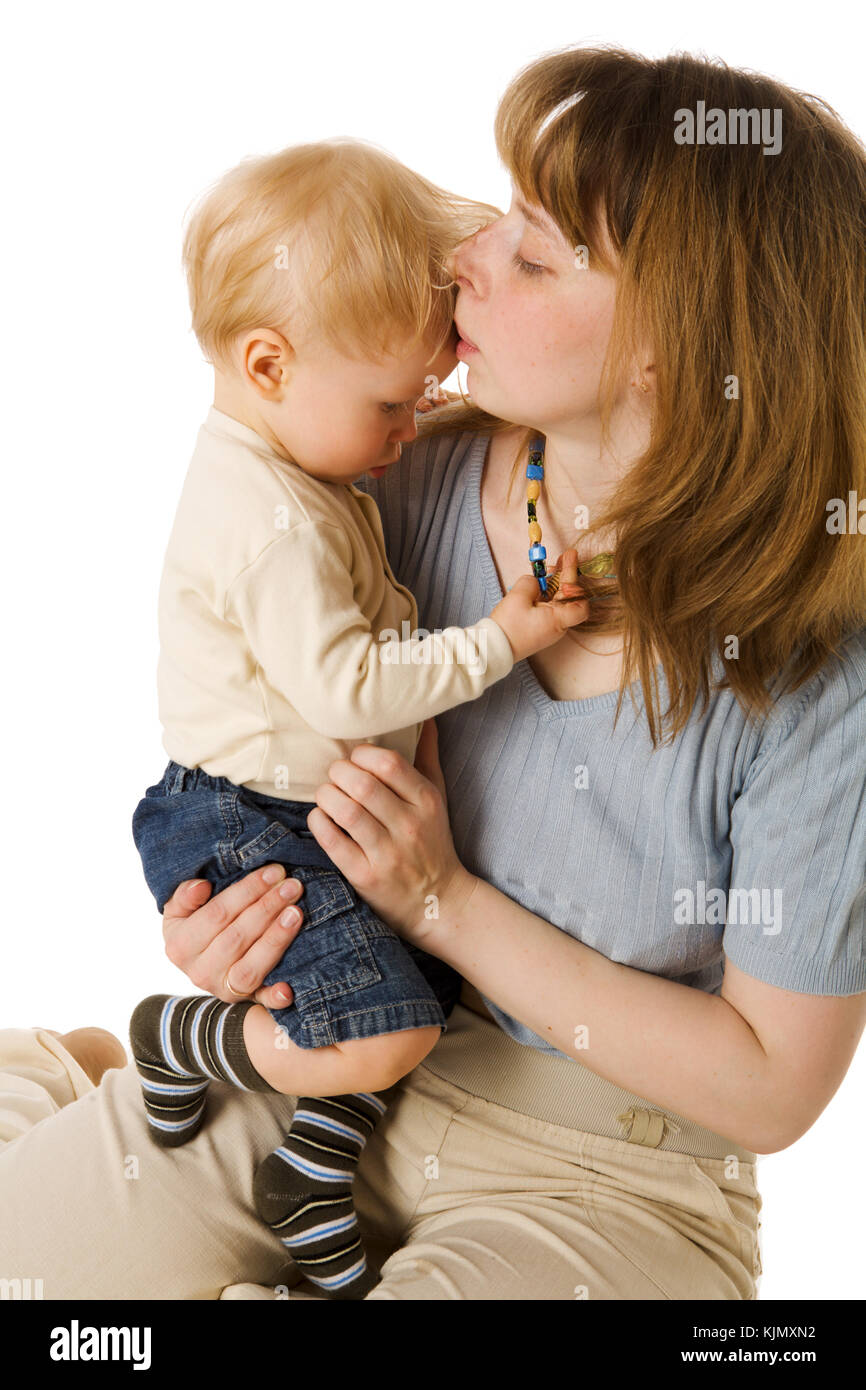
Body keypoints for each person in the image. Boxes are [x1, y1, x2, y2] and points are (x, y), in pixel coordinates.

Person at [1, 44, 864, 1302]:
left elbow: (770, 1082)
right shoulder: (382, 476)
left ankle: (78, 1089)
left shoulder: (814, 670)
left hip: (605, 1171)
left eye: (532, 251)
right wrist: (228, 914)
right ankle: (76, 1080)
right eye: (498, 213)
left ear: (666, 355)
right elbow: (255, 727)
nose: (464, 256)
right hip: (338, 1072)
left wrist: (441, 900)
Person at [126, 137, 586, 1300]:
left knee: (420, 985)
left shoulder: (300, 462)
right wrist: (507, 637)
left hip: (290, 801)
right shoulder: (274, 523)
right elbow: (346, 687)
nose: (407, 429)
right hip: (246, 816)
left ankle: (313, 1157)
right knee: (385, 1029)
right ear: (269, 364)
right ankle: (179, 1042)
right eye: (391, 403)